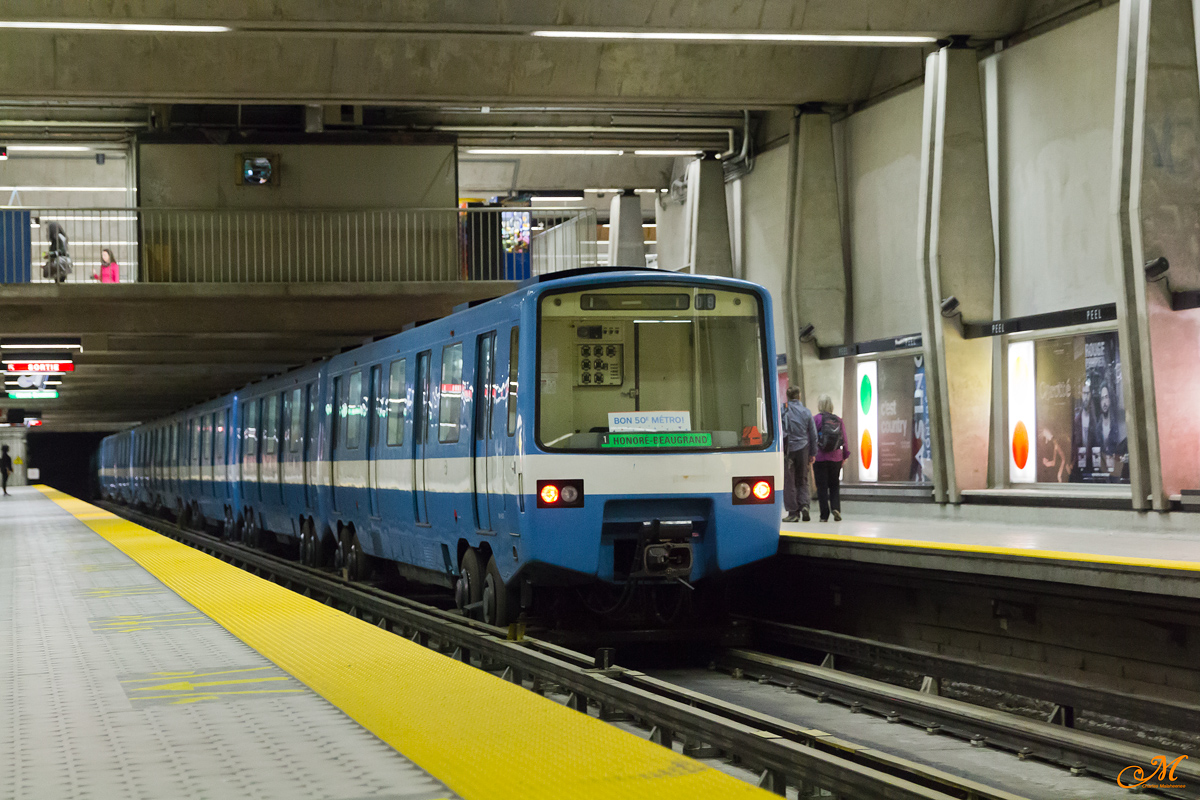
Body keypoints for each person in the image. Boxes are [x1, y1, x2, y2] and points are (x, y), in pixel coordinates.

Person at [781, 386, 817, 523]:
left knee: (789, 482)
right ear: (799, 396)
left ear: (788, 396)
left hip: (788, 449)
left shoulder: (783, 410)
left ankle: (793, 513)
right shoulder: (806, 412)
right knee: (802, 479)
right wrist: (813, 453)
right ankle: (804, 506)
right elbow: (813, 435)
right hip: (803, 449)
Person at [813, 395, 849, 522]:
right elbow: (844, 438)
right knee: (834, 485)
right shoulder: (838, 420)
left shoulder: (816, 419)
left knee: (822, 487)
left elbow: (812, 438)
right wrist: (845, 455)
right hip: (836, 458)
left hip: (820, 458)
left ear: (820, 406)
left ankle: (824, 515)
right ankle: (836, 508)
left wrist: (810, 455)